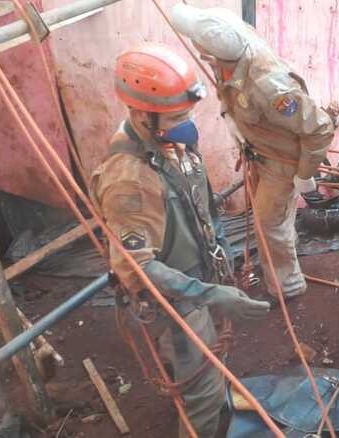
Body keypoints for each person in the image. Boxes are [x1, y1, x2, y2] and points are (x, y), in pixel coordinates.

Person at [90, 43, 271, 437]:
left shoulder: (171, 141)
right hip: (173, 299)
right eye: (176, 117)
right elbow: (136, 268)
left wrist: (221, 259)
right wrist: (209, 294)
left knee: (211, 366)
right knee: (201, 392)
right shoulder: (129, 179)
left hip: (198, 277)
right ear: (140, 113)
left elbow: (203, 203)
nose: (186, 124)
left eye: (187, 114)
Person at [170, 4, 335, 301]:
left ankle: (287, 287)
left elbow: (320, 128)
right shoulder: (232, 48)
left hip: (282, 163)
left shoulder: (269, 88)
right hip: (260, 152)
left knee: (268, 223)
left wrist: (304, 176)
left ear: (212, 56)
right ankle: (283, 260)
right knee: (273, 221)